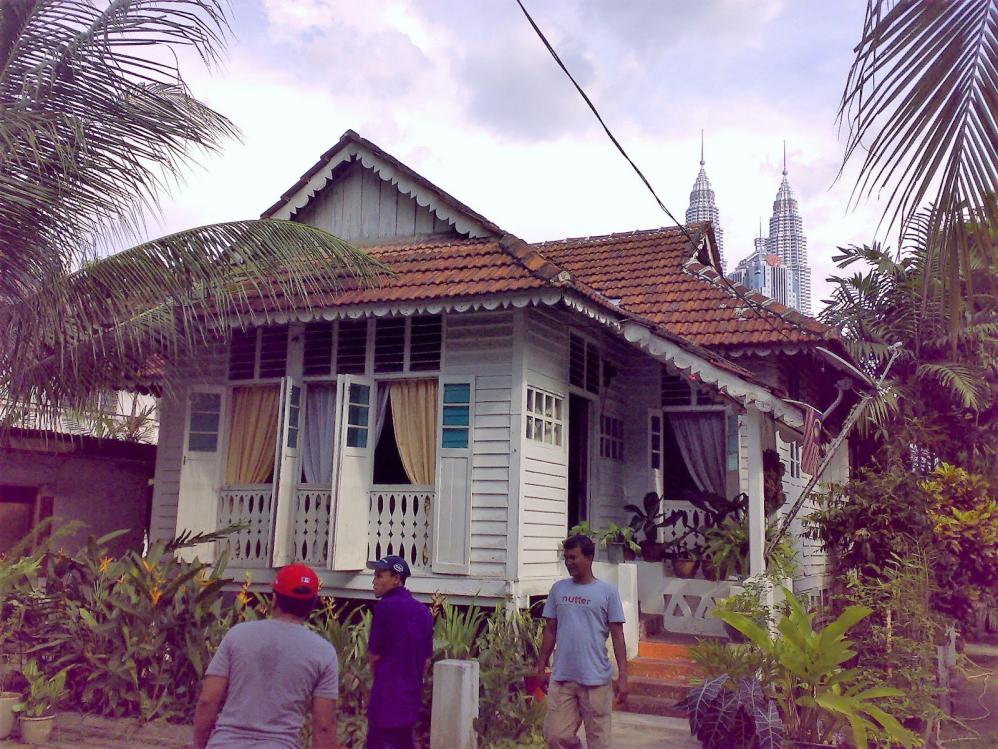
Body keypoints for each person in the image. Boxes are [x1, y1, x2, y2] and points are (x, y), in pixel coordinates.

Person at [192, 562, 339, 749]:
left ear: (274, 599)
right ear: (312, 605)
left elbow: (207, 701)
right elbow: (324, 726)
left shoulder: (237, 635)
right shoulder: (323, 652)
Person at [535, 535, 628, 749]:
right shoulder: (558, 589)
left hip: (596, 681)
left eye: (573, 557)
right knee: (555, 736)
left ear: (589, 558)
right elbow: (550, 630)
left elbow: (618, 636)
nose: (568, 562)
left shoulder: (607, 593)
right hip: (563, 678)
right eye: (566, 557)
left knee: (599, 744)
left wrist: (623, 677)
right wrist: (541, 666)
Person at [365, 555, 434, 749]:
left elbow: (374, 657)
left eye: (380, 576)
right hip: (411, 699)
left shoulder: (384, 607)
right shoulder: (423, 612)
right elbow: (426, 661)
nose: (374, 581)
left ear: (396, 578)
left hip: (385, 698)